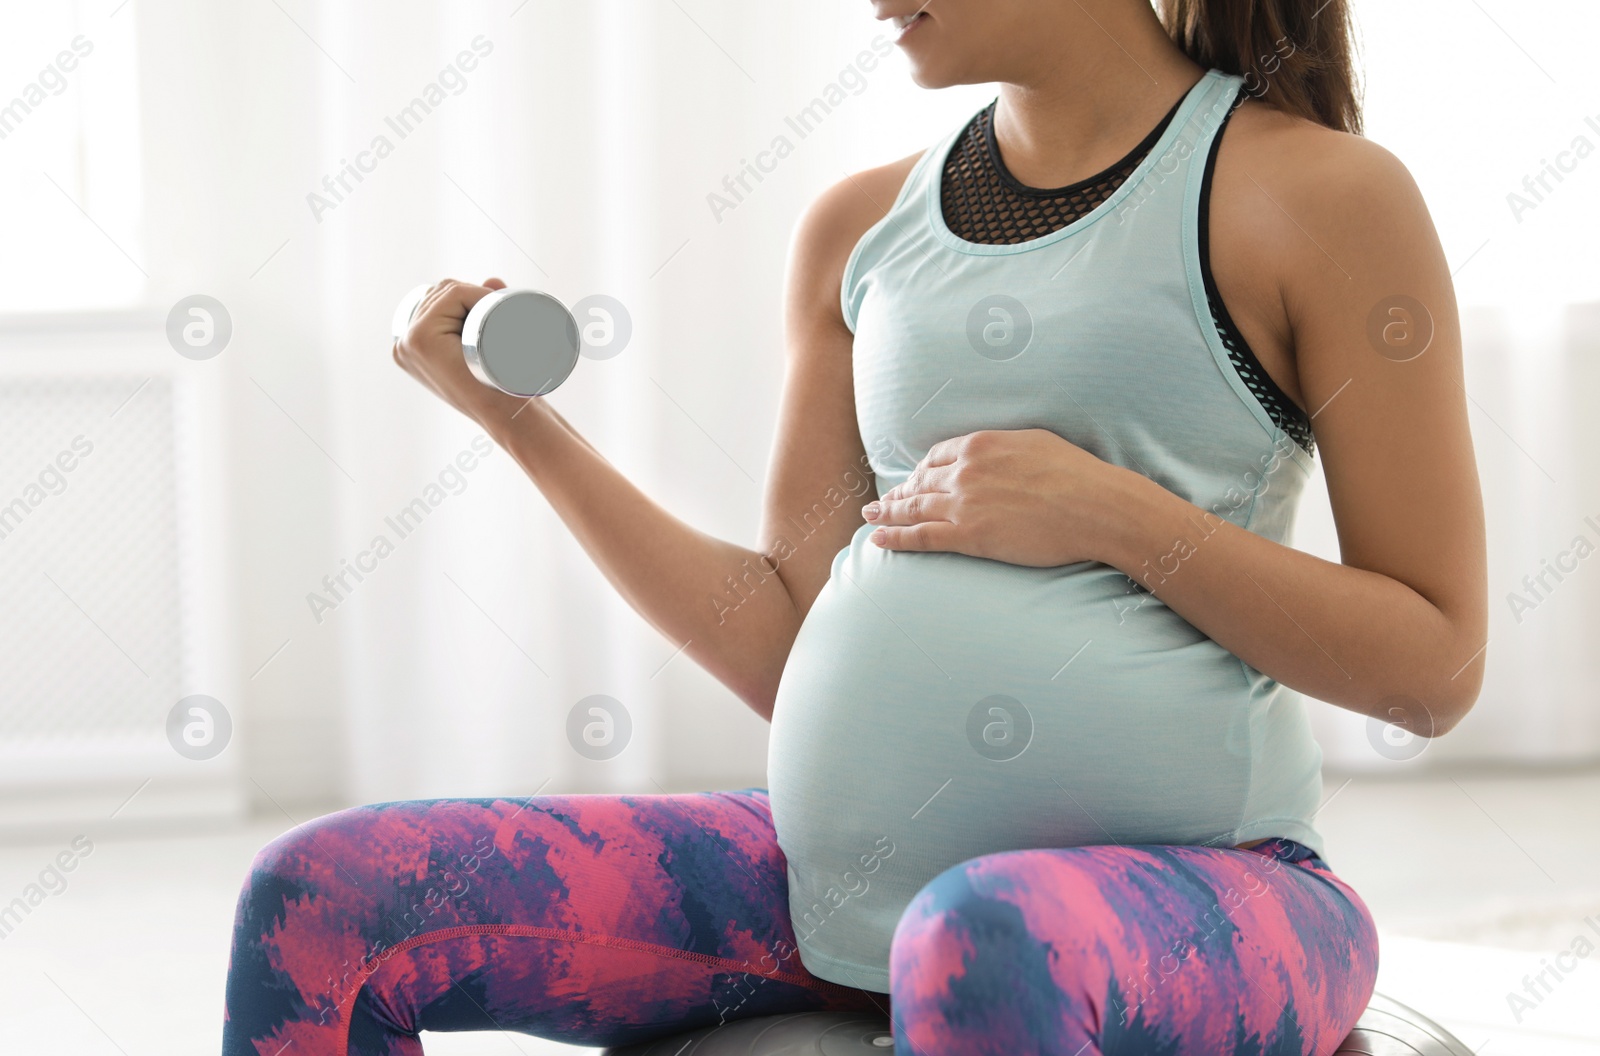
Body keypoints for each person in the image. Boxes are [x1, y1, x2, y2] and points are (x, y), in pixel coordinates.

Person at [221, 0, 1488, 1053]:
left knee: (978, 940)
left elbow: (1430, 671)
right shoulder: (859, 228)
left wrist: (1111, 513)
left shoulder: (1319, 197)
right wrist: (516, 425)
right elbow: (782, 631)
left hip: (1223, 898)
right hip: (828, 890)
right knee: (324, 897)